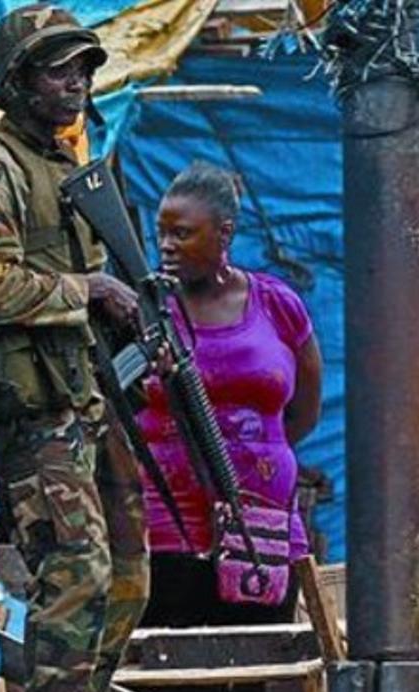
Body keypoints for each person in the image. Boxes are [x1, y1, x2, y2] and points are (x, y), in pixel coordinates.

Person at [0, 5, 149, 692]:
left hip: (89, 399)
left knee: (129, 580)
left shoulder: (67, 169)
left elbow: (98, 287)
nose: (77, 81)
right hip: (35, 412)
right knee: (78, 573)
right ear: (16, 81)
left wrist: (133, 319)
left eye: (83, 67)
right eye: (58, 68)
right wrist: (88, 289)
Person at [136, 161, 323, 629]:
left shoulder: (276, 304)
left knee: (262, 670)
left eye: (182, 233)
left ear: (224, 234)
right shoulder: (143, 311)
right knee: (171, 671)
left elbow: (303, 411)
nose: (166, 246)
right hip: (168, 526)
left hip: (260, 523)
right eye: (161, 233)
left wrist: (255, 453)